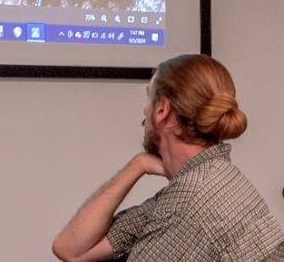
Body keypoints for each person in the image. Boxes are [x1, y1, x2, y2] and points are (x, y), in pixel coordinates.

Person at [52, 54, 284, 261]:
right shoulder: (212, 175)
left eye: (149, 99)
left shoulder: (186, 203)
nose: (145, 111)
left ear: (162, 110)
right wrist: (138, 164)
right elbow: (71, 249)